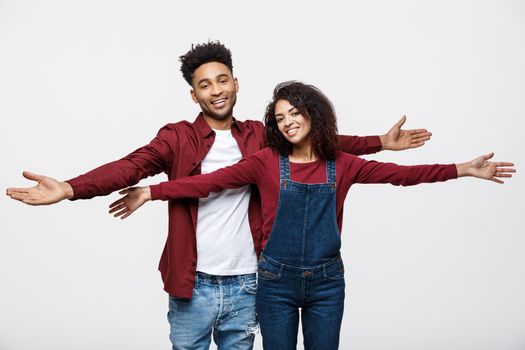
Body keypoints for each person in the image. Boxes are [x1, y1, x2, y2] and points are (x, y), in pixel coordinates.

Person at [6, 41, 435, 350]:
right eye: (205, 85)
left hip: (251, 282)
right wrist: (70, 188)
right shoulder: (176, 138)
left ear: (235, 83)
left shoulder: (261, 136)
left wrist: (379, 141)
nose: (216, 90)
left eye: (222, 80)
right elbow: (130, 166)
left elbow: (315, 139)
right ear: (194, 94)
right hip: (192, 284)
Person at [105, 81, 515, 350]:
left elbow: (402, 177)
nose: (287, 122)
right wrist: (151, 191)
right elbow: (206, 183)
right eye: (280, 118)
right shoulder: (265, 161)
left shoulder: (345, 163)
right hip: (274, 283)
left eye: (294, 113)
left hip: (326, 284)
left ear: (312, 114)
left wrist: (462, 169)